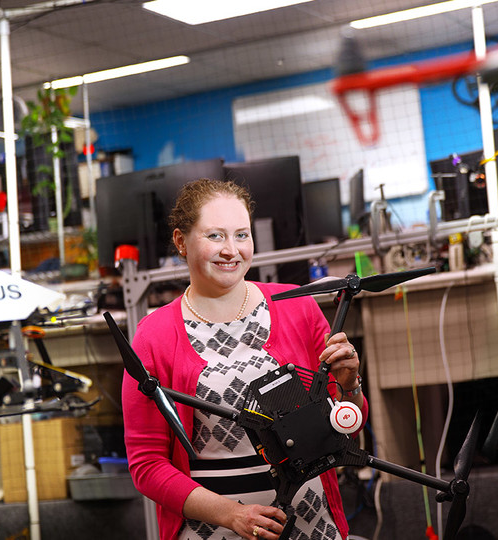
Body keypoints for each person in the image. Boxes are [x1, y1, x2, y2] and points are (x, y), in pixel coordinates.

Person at [123, 178, 367, 540]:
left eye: (241, 235)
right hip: (212, 531)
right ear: (180, 241)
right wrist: (231, 515)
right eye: (215, 236)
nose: (231, 250)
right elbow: (147, 465)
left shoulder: (298, 306)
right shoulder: (153, 336)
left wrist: (350, 386)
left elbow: (347, 427)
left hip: (311, 525)